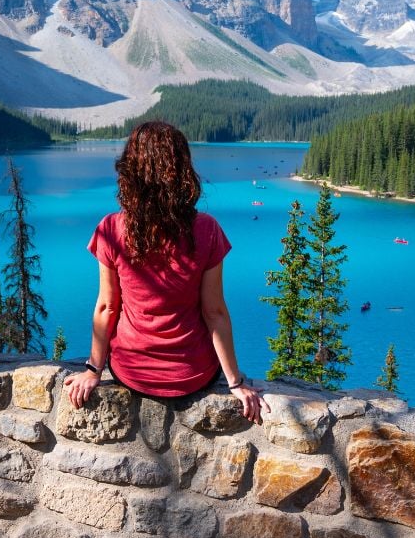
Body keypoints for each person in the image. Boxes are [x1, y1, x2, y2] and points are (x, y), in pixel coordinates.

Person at [64, 122, 267, 423]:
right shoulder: (206, 229)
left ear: (130, 171)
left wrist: (93, 370)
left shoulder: (111, 229)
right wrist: (235, 383)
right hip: (192, 375)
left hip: (130, 373)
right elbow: (215, 313)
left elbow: (107, 306)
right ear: (183, 170)